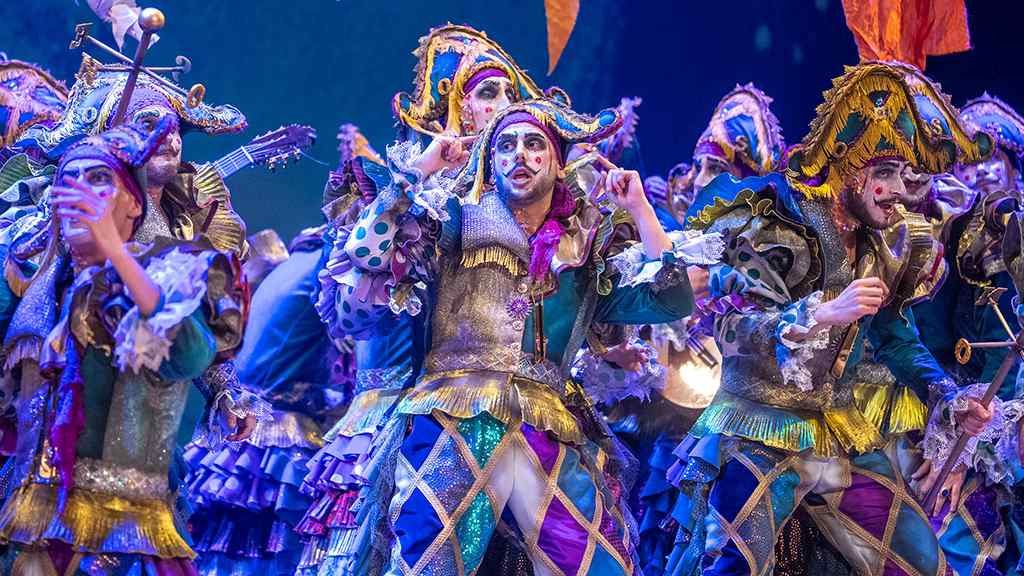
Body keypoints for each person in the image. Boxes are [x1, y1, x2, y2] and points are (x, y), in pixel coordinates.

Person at [330, 96, 720, 575]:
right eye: (506, 145)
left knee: (602, 567)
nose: (520, 154)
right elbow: (367, 253)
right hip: (455, 417)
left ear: (558, 165)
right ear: (490, 163)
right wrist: (423, 168)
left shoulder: (583, 251)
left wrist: (639, 208)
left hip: (547, 427)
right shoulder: (456, 222)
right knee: (427, 565)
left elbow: (673, 300)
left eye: (535, 144)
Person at [664, 61, 993, 576]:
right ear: (849, 169)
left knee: (922, 564)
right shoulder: (779, 223)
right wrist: (821, 313)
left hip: (838, 429)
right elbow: (731, 327)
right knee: (732, 564)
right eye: (885, 173)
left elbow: (894, 334)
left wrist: (946, 396)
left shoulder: (883, 246)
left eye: (903, 174)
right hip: (759, 425)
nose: (900, 190)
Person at [0, 117, 247, 575]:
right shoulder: (36, 283)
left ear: (134, 205)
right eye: (70, 181)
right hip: (33, 515)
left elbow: (188, 356)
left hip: (123, 527)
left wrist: (115, 251)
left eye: (99, 180)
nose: (82, 193)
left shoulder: (164, 273)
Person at [634, 83, 787, 576]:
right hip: (681, 407)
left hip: (751, 413)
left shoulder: (774, 239)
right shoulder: (686, 227)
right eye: (699, 167)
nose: (701, 179)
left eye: (715, 169)